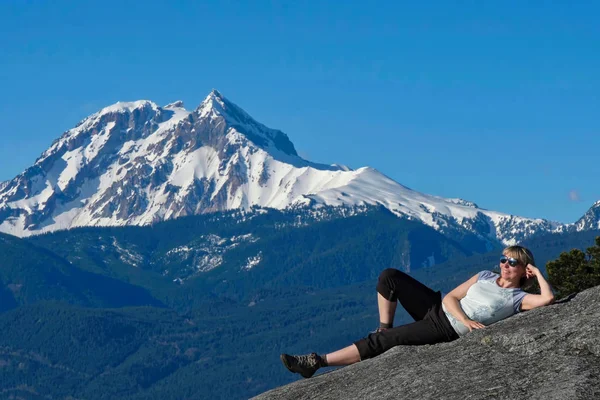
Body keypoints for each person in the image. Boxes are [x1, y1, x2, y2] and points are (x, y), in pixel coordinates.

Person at [280, 245, 555, 378]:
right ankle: (384, 327)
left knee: (382, 344)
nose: (505, 264)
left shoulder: (519, 297)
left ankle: (316, 362)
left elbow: (547, 299)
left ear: (524, 269)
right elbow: (451, 297)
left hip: (445, 329)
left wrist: (539, 273)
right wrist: (466, 319)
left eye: (513, 262)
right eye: (504, 258)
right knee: (390, 277)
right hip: (440, 310)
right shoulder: (484, 275)